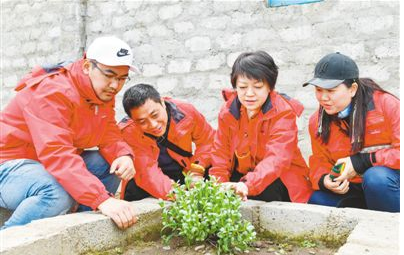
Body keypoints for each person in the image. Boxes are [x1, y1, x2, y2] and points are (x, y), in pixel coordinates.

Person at [0, 36, 138, 230]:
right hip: (9, 165)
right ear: (87, 66)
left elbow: (108, 132)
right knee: (55, 192)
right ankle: (8, 242)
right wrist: (101, 199)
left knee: (110, 164)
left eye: (122, 78)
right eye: (109, 75)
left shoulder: (101, 93)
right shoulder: (52, 91)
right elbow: (56, 152)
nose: (115, 85)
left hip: (43, 165)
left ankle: (80, 229)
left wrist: (122, 155)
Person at [209, 51, 313, 203]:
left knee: (267, 192)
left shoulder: (283, 112)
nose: (249, 94)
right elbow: (220, 153)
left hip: (278, 178)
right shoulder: (227, 112)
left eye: (257, 87)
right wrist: (219, 185)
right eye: (243, 87)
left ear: (269, 87)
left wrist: (247, 185)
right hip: (245, 177)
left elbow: (277, 158)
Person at [303, 52, 400, 212]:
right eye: (319, 90)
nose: (323, 98)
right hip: (354, 186)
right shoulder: (317, 121)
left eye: (331, 90)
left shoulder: (387, 105)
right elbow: (319, 161)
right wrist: (325, 180)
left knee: (375, 178)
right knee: (318, 199)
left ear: (352, 89)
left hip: (390, 184)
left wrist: (361, 162)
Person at [119, 83, 215, 200]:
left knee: (213, 173)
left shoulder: (185, 111)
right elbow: (147, 174)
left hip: (182, 169)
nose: (153, 125)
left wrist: (196, 171)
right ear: (133, 120)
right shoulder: (128, 131)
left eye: (155, 115)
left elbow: (208, 141)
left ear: (162, 103)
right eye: (142, 122)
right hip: (144, 183)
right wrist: (178, 194)